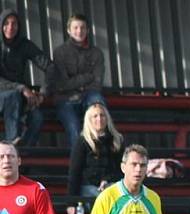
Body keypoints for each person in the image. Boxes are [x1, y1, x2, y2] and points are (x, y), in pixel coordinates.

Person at [0, 9, 57, 147]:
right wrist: (21, 88)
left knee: (37, 118)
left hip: (19, 97)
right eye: (6, 23)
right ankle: (10, 148)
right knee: (12, 96)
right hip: (5, 95)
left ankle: (25, 157)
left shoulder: (24, 44)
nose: (10, 27)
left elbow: (50, 67)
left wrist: (43, 93)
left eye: (14, 24)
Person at [52, 13, 106, 149]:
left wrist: (77, 85)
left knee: (97, 101)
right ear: (69, 30)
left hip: (88, 96)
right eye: (75, 28)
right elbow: (62, 84)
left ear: (88, 30)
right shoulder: (60, 52)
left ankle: (103, 151)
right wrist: (86, 77)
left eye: (82, 28)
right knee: (74, 127)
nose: (79, 31)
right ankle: (78, 165)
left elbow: (97, 83)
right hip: (65, 99)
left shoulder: (97, 53)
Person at [67, 102, 124, 200]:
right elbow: (75, 172)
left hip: (111, 185)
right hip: (89, 187)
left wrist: (108, 180)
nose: (99, 119)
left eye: (102, 115)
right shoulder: (82, 141)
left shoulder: (117, 140)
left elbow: (122, 169)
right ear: (89, 120)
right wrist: (71, 202)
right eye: (95, 116)